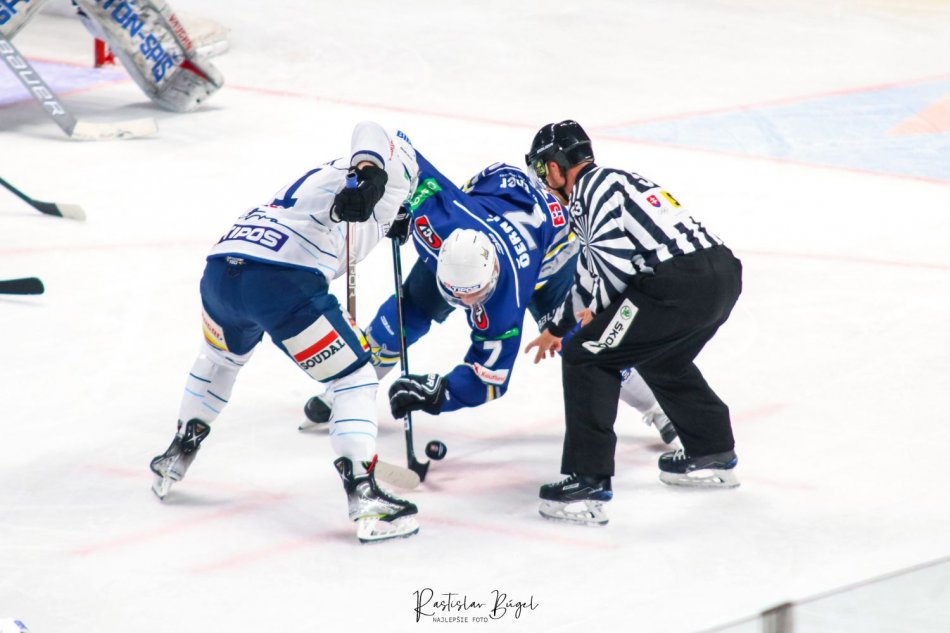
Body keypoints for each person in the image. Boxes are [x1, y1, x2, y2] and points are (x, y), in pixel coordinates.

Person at [149, 121, 421, 544]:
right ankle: (364, 494)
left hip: (222, 272)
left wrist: (388, 216)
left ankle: (178, 452)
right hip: (281, 280)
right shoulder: (396, 166)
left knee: (220, 359)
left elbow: (352, 211)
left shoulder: (325, 178)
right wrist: (372, 175)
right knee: (354, 377)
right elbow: (371, 132)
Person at [301, 154, 676, 444]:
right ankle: (348, 391)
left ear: (492, 278)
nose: (467, 305)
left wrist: (439, 393)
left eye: (476, 296)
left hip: (550, 266)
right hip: (491, 218)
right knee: (406, 312)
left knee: (582, 344)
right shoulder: (439, 224)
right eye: (456, 295)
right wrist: (386, 197)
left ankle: (660, 408)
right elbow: (402, 155)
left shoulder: (504, 300)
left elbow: (490, 379)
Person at [524, 120, 743, 526]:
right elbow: (588, 273)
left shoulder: (586, 194)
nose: (544, 181)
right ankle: (712, 451)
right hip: (722, 276)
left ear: (554, 167)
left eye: (541, 170)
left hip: (675, 284)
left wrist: (591, 322)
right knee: (662, 358)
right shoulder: (618, 180)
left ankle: (587, 482)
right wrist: (556, 327)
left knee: (586, 356)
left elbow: (613, 269)